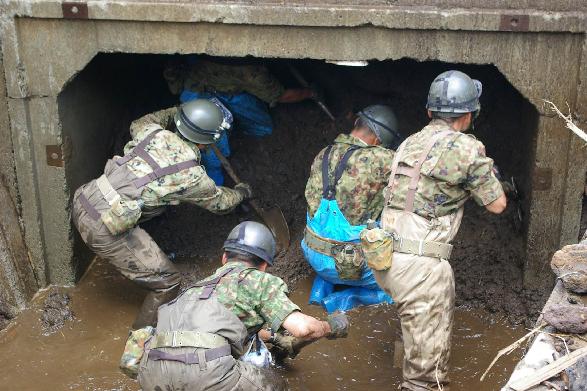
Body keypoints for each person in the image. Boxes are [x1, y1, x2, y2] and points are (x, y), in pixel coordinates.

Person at [372, 70, 507, 390]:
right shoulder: (467, 149)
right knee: (426, 380)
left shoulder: (409, 142)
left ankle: (407, 361)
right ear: (470, 114)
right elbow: (497, 204)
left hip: (386, 258)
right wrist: (488, 170)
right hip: (421, 267)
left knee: (413, 336)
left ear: (430, 111)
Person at [72, 98, 253, 330]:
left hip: (84, 199)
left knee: (158, 201)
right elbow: (221, 203)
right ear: (206, 143)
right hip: (103, 228)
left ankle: (141, 254)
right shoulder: (192, 176)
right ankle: (139, 348)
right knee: (168, 283)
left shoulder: (150, 131)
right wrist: (242, 192)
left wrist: (178, 112)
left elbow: (144, 120)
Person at [137, 221, 349, 391]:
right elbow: (303, 329)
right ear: (264, 265)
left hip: (152, 370)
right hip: (204, 372)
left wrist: (274, 338)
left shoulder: (196, 289)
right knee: (276, 385)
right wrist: (331, 326)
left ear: (224, 258)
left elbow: (214, 332)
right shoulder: (258, 280)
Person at [302, 105, 404, 312]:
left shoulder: (323, 153)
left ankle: (320, 289)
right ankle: (347, 298)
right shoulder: (382, 159)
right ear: (377, 140)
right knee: (404, 282)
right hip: (355, 266)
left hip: (314, 256)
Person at [164, 57, 316, 185]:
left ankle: (235, 129)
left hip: (223, 86)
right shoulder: (251, 73)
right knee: (212, 144)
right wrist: (310, 92)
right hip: (197, 91)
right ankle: (215, 184)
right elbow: (282, 95)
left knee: (263, 126)